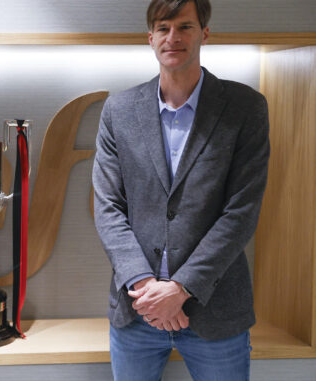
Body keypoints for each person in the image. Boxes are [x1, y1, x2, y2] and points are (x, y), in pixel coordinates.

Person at [92, 0, 269, 379]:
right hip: (137, 311)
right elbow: (107, 207)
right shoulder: (118, 111)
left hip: (216, 312)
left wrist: (181, 289)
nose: (173, 37)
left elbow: (240, 213)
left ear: (204, 33)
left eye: (185, 27)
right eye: (163, 27)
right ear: (150, 37)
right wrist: (145, 286)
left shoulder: (245, 108)